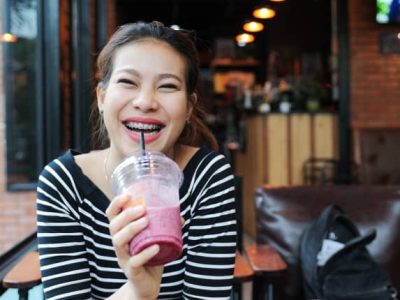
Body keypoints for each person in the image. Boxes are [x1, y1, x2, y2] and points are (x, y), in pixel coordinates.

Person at [36, 21, 237, 299]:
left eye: (167, 86)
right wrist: (138, 291)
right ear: (102, 96)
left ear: (189, 107)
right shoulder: (63, 184)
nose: (145, 101)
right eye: (128, 82)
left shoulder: (207, 178)